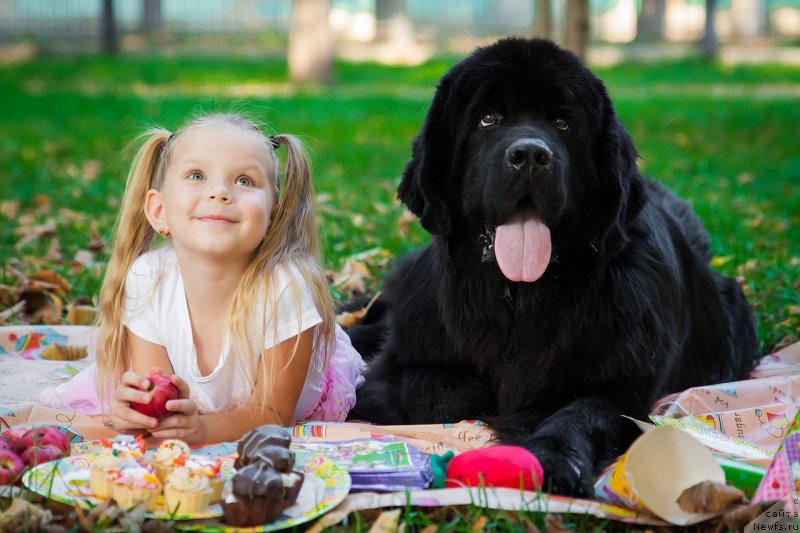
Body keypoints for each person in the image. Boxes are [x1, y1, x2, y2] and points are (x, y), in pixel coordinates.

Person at [40, 113, 364, 445]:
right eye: (197, 175)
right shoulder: (149, 278)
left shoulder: (283, 287)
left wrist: (203, 431)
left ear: (273, 215)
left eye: (244, 181)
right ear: (159, 210)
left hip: (275, 404)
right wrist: (142, 413)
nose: (220, 192)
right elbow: (161, 394)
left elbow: (273, 413)